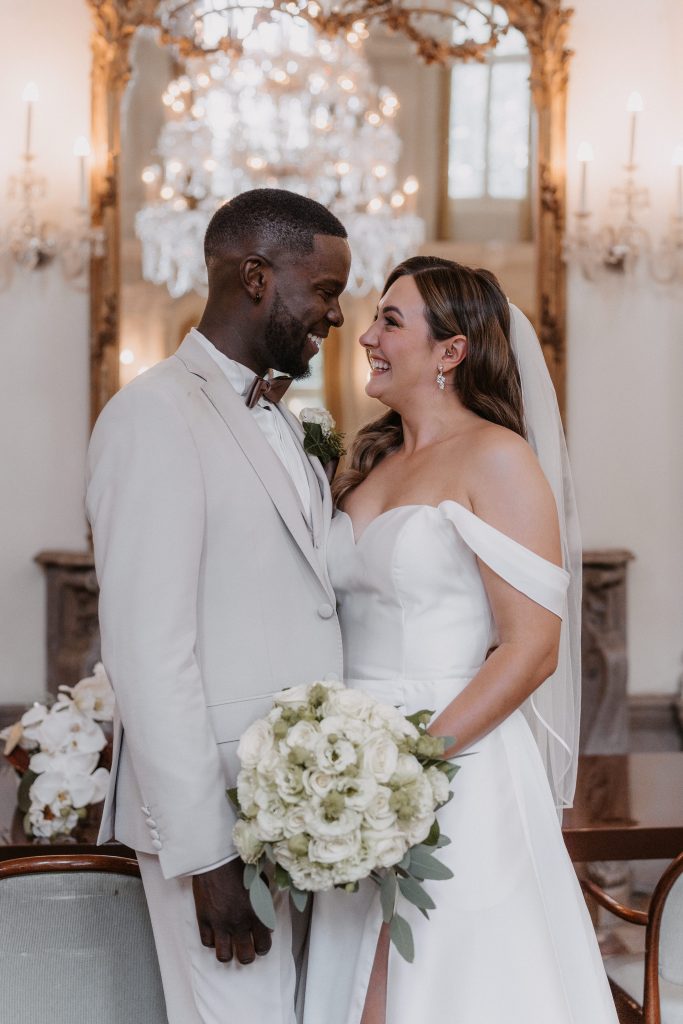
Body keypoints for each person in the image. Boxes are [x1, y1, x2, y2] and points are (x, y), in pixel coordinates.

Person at [303, 257, 618, 1024]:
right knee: (352, 986)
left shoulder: (497, 458)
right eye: (374, 319)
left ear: (451, 351)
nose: (366, 336)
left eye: (390, 321)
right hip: (352, 767)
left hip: (455, 763)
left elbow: (532, 648)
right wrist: (345, 770)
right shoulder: (367, 462)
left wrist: (409, 767)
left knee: (441, 986)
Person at [86, 188, 351, 1024]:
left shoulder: (290, 419)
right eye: (325, 290)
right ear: (255, 277)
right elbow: (147, 652)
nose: (337, 316)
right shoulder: (153, 415)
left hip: (307, 820)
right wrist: (208, 857)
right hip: (220, 826)